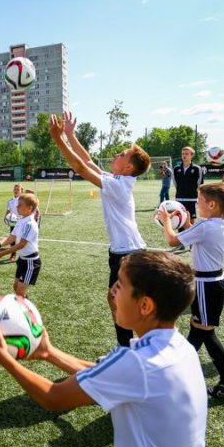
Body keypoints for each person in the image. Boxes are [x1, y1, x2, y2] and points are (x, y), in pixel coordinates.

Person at [0, 251, 210, 447]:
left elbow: (54, 397)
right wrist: (48, 353)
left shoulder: (138, 362)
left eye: (120, 285)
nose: (112, 291)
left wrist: (5, 360)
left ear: (146, 305)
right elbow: (104, 374)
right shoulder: (177, 347)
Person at [50, 111, 150, 347]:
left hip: (128, 253)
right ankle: (127, 348)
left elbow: (80, 167)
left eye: (122, 154)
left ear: (127, 167)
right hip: (125, 251)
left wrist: (58, 139)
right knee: (116, 300)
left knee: (119, 301)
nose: (116, 153)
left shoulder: (118, 184)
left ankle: (129, 350)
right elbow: (87, 162)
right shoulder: (119, 180)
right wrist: (70, 135)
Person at [159, 181, 224, 398]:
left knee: (205, 332)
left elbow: (171, 240)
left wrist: (166, 221)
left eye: (199, 200)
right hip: (214, 281)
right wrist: (186, 222)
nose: (196, 203)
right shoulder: (220, 224)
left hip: (206, 285)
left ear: (212, 204)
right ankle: (175, 372)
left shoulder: (205, 226)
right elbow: (194, 237)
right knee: (198, 329)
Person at [0, 191, 41, 298]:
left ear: (29, 208)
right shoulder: (20, 220)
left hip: (30, 262)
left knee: (19, 292)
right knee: (16, 287)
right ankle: (24, 303)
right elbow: (11, 238)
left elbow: (21, 245)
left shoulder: (30, 224)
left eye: (19, 205)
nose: (16, 207)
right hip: (22, 260)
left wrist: (1, 253)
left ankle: (27, 312)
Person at [172, 147, 203, 253]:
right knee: (179, 221)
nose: (184, 155)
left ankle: (191, 244)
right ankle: (180, 244)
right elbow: (175, 183)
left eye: (186, 153)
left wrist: (198, 197)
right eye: (183, 153)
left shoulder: (197, 168)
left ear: (191, 155)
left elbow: (200, 184)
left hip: (192, 199)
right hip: (179, 198)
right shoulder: (176, 169)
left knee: (190, 222)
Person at [4, 183, 23, 261]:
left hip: (22, 222)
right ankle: (13, 254)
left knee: (22, 239)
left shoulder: (23, 200)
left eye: (18, 189)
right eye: (15, 189)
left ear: (21, 191)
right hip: (13, 222)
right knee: (12, 238)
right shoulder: (10, 201)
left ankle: (22, 255)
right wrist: (5, 217)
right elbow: (8, 210)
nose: (16, 191)